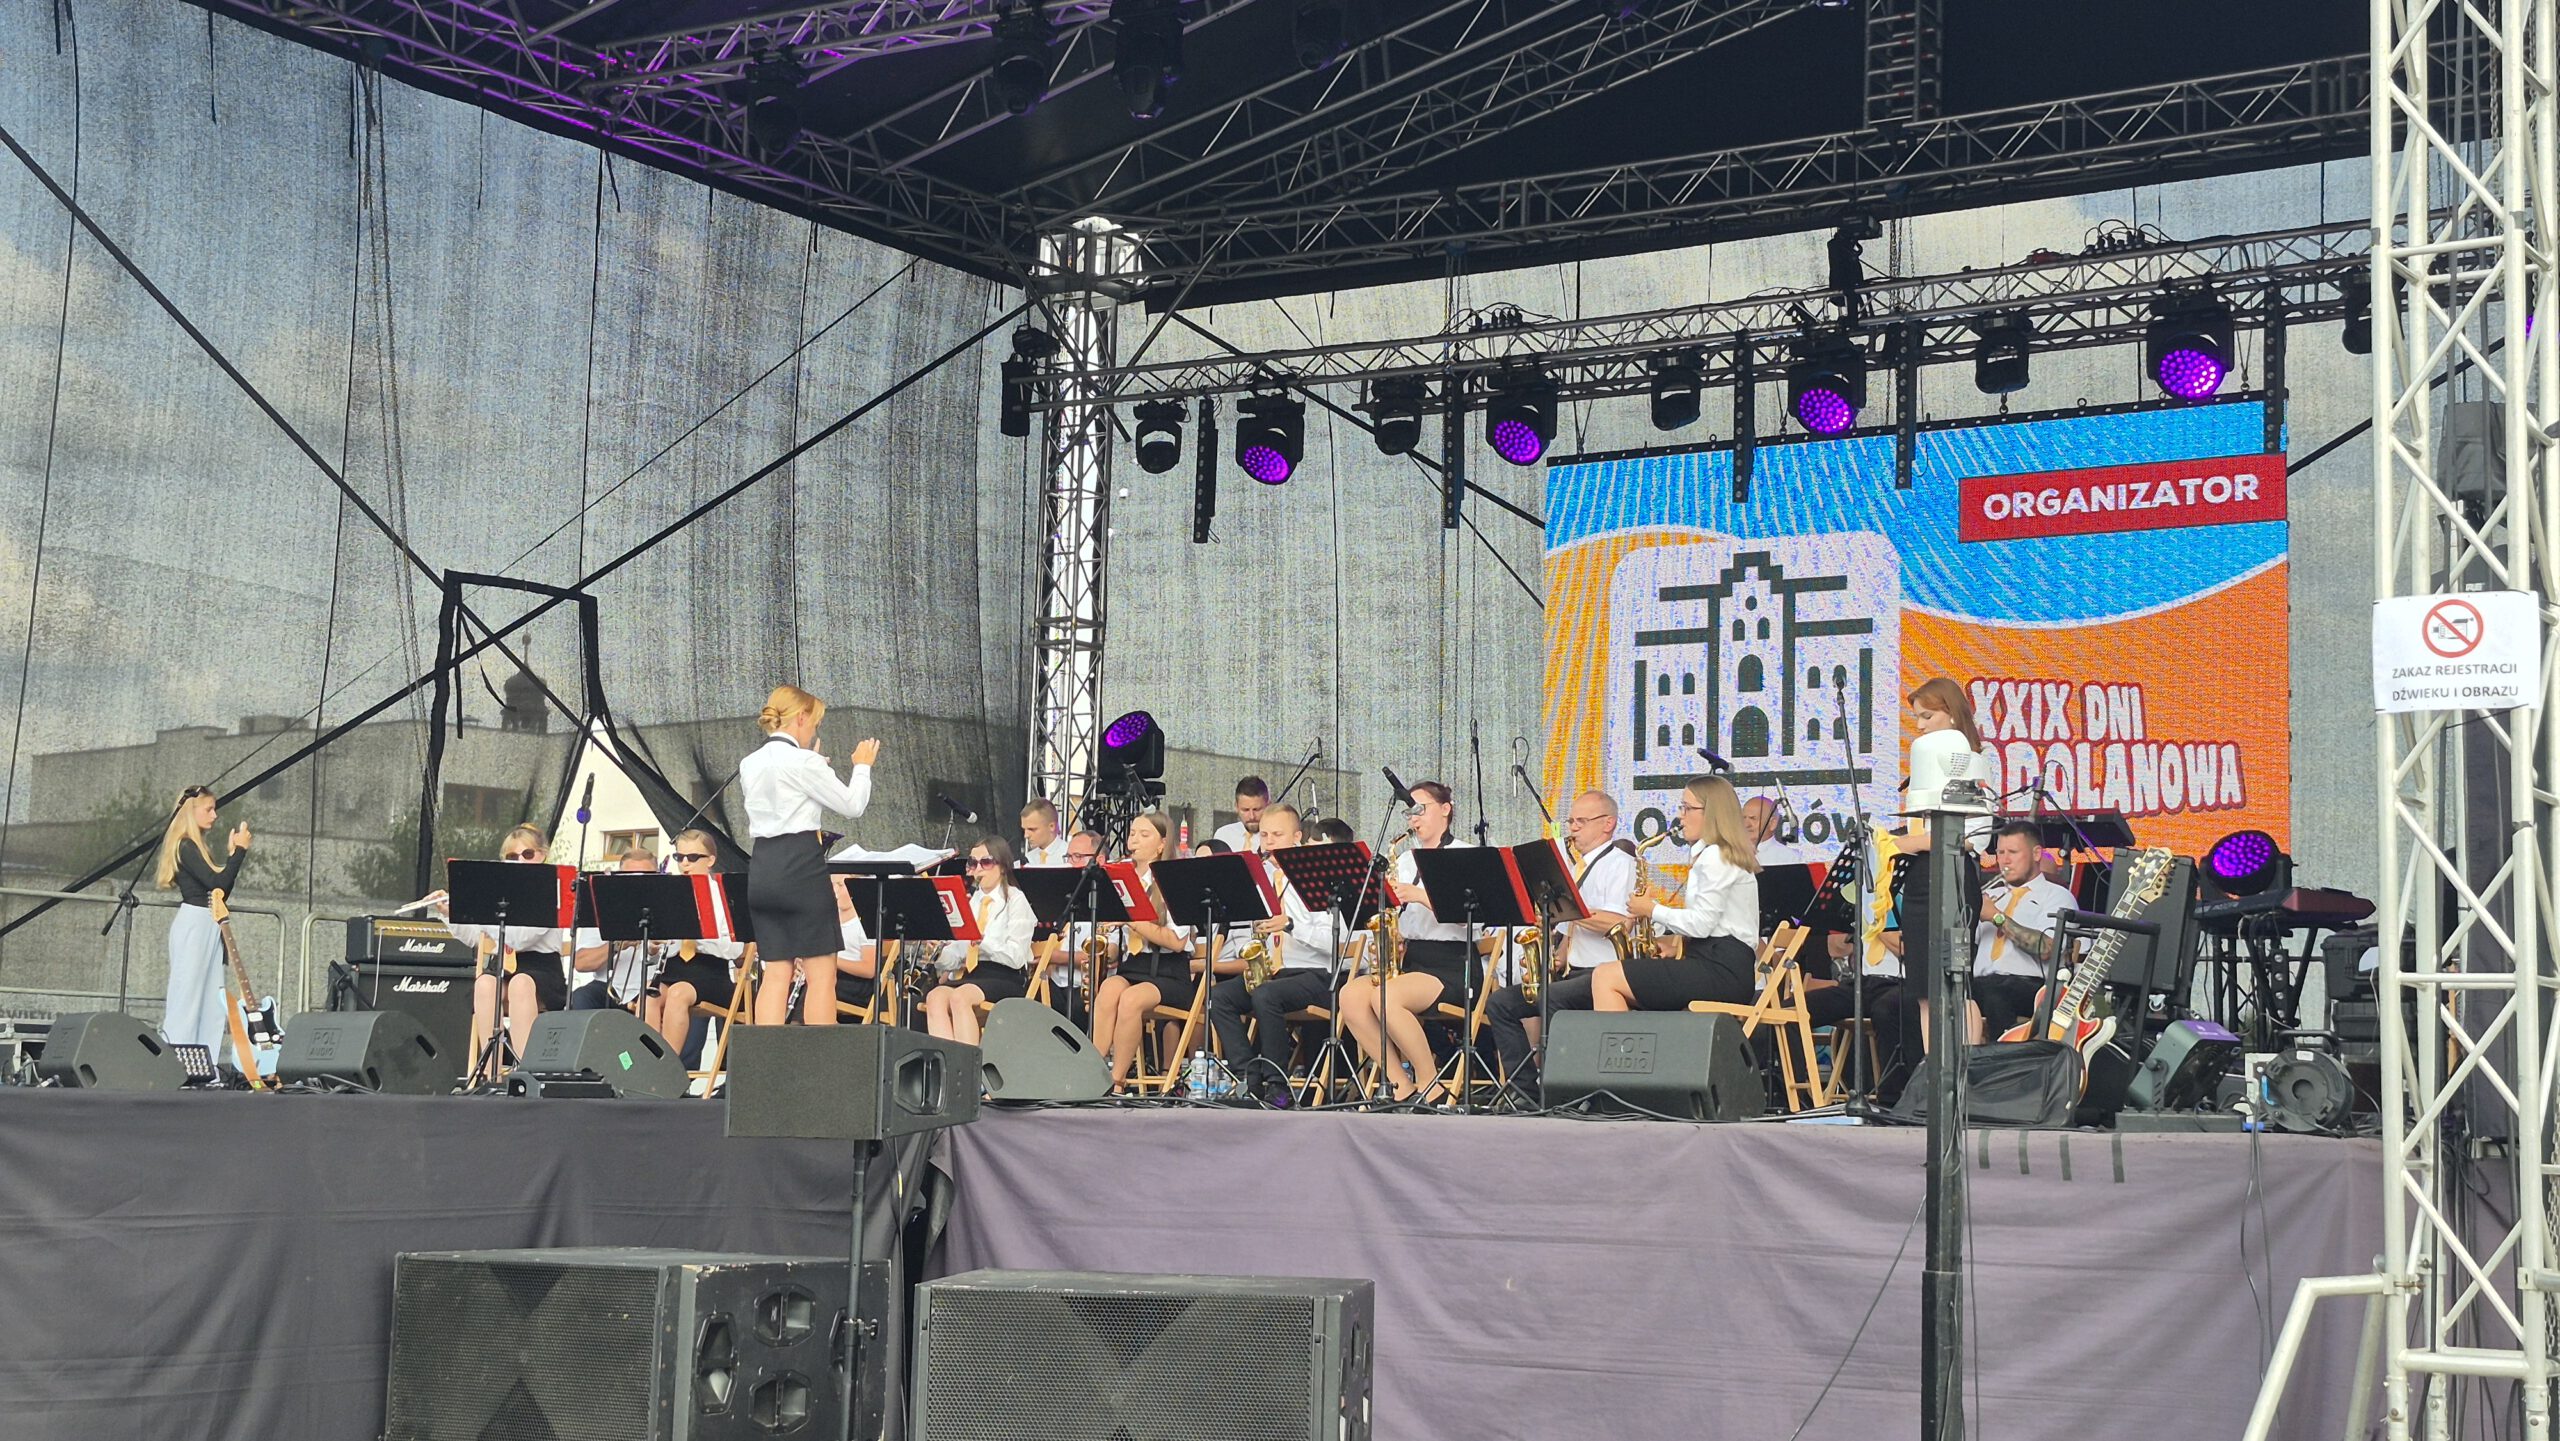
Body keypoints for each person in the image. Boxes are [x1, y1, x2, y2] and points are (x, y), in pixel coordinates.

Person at [739, 684, 878, 1026]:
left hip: (763, 866)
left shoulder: (750, 762)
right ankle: (820, 1054)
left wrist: (816, 767)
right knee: (821, 974)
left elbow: (785, 794)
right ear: (800, 717)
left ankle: (768, 1053)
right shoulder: (804, 761)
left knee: (776, 972)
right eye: (814, 723)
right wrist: (862, 767)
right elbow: (853, 806)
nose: (814, 730)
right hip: (800, 863)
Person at [1482, 791, 1635, 1088]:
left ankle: (1559, 1087)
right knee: (1501, 1003)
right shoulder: (1579, 868)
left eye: (1581, 821)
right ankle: (1525, 1089)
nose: (1573, 828)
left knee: (1554, 998)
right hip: (1573, 971)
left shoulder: (1620, 864)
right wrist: (1554, 959)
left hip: (1604, 974)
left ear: (1608, 824)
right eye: (1571, 821)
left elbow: (1618, 923)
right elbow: (1574, 930)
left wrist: (1566, 909)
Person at [1335, 782, 1477, 1103]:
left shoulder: (1465, 854)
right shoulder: (1406, 860)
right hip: (1411, 960)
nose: (1413, 819)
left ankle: (1431, 1084)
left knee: (1386, 997)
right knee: (1351, 996)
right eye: (1409, 812)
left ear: (1445, 809)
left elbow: (1471, 918)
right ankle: (1400, 1084)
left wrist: (1418, 896)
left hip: (1454, 964)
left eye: (1420, 810)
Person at [1204, 805, 1340, 1104]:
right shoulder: (1265, 877)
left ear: (1297, 836)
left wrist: (1291, 926)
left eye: (1277, 835)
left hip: (1317, 974)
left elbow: (1335, 941)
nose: (1269, 842)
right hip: (1277, 972)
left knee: (1266, 995)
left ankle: (1278, 1084)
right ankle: (1247, 1078)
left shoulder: (1318, 876)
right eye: (1264, 835)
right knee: (1220, 997)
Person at [1589, 776, 1761, 1011]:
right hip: (1722, 966)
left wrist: (1651, 910)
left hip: (1721, 972)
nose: (1681, 816)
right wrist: (1676, 949)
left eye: (1687, 808)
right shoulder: (1718, 854)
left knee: (1605, 977)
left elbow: (1701, 924)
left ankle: (1619, 1038)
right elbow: (1715, 926)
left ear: (1712, 813)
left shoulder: (1716, 856)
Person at [1089, 813, 1208, 1093]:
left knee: (1131, 999)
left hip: (1169, 971)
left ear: (1161, 844)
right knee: (1108, 990)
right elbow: (1121, 943)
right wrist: (1106, 948)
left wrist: (1131, 920)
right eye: (1132, 833)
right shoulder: (1122, 881)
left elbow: (1176, 942)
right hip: (1135, 965)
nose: (1134, 840)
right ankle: (1092, 1071)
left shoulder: (1175, 882)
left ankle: (1116, 1082)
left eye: (1144, 835)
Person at [441, 824, 570, 1073]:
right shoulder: (498, 893)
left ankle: (525, 1071)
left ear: (542, 855)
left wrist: (483, 913)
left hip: (542, 968)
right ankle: (492, 1073)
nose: (519, 861)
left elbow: (520, 939)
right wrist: (451, 913)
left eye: (527, 854)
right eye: (512, 856)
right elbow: (475, 938)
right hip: (505, 966)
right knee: (484, 984)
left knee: (520, 984)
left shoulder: (549, 892)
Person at [155, 784, 251, 1050]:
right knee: (187, 997)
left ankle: (204, 1060)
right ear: (191, 810)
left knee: (212, 1002)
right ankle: (178, 1056)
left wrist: (233, 856)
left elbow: (220, 892)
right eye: (208, 809)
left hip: (208, 921)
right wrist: (239, 853)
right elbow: (217, 885)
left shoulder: (196, 847)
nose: (214, 815)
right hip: (195, 923)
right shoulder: (185, 846)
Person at [921, 838, 1037, 1047]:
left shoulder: (1016, 899)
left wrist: (984, 941)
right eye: (973, 863)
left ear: (1002, 866)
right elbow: (957, 956)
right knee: (935, 997)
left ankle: (967, 1062)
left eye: (986, 862)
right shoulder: (972, 901)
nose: (978, 869)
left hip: (1006, 976)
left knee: (959, 998)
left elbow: (1016, 957)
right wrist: (938, 953)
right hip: (973, 974)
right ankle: (948, 1061)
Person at [1972, 821, 2073, 1040]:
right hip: (1982, 984)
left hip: (2031, 986)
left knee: (1996, 992)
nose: (2005, 860)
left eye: (2013, 852)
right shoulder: (1991, 894)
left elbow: (2047, 948)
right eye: (2000, 853)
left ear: (2036, 854)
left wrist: (1997, 917)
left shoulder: (2057, 896)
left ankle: (2002, 1057)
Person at [651, 831, 748, 1053]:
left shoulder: (723, 895)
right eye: (679, 857)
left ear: (711, 860)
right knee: (648, 996)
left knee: (677, 994)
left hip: (711, 973)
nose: (685, 863)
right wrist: (654, 946)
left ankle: (668, 1065)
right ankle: (649, 1062)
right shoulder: (669, 894)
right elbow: (659, 951)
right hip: (673, 970)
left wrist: (699, 935)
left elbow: (736, 950)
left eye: (693, 857)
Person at [568, 848, 665, 1018]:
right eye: (628, 878)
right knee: (580, 997)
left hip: (651, 988)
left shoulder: (667, 906)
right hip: (608, 987)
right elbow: (581, 963)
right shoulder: (603, 908)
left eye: (645, 877)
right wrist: (618, 944)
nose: (637, 885)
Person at [1212, 776, 1270, 853]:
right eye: (1245, 810)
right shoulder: (1223, 835)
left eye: (1257, 809)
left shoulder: (1274, 838)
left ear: (1268, 806)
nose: (1252, 816)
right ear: (1236, 807)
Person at [1019, 799, 1069, 867]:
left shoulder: (1069, 856)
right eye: (1024, 829)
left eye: (1032, 829)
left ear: (1052, 826)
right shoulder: (1029, 858)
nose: (1026, 835)